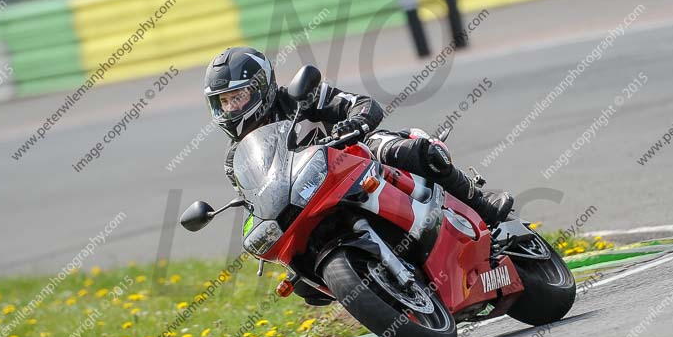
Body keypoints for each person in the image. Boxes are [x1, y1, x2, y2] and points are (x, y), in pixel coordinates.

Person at [205, 46, 513, 230]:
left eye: (238, 97)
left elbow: (363, 104)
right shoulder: (237, 160)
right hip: (312, 202)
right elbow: (258, 202)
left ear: (261, 87)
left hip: (356, 160)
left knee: (411, 151)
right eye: (224, 102)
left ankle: (482, 205)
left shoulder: (301, 98)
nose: (231, 108)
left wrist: (352, 124)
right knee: (302, 285)